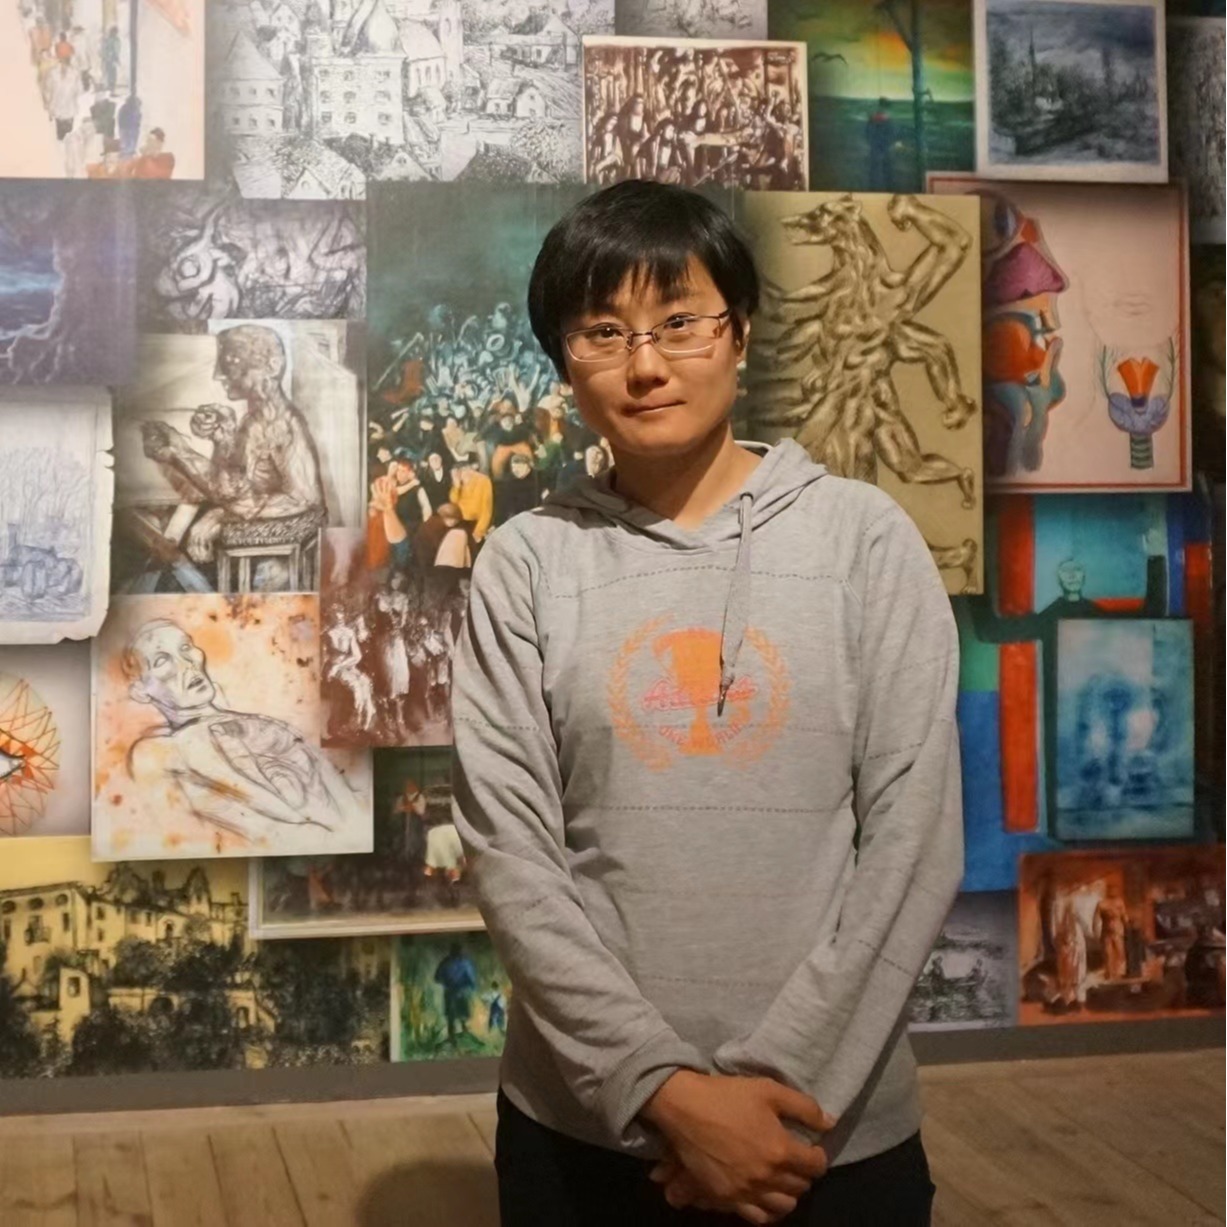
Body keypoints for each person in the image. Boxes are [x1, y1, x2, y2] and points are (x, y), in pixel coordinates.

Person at [450, 181, 961, 1226]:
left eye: (679, 321)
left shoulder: (864, 540)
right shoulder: (527, 564)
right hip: (586, 1135)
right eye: (603, 333)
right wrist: (668, 1097)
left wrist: (760, 1105)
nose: (645, 365)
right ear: (564, 363)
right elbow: (512, 856)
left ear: (741, 332)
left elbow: (913, 844)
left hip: (823, 1134)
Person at [123, 618, 364, 845]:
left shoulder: (259, 722)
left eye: (186, 647)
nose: (187, 664)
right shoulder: (167, 748)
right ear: (140, 691)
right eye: (162, 661)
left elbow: (342, 794)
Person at [448, 453, 493, 547]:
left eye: (464, 470)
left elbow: (487, 510)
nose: (462, 474)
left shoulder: (484, 481)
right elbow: (453, 502)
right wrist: (456, 487)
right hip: (461, 522)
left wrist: (479, 532)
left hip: (476, 524)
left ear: (470, 469)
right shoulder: (458, 481)